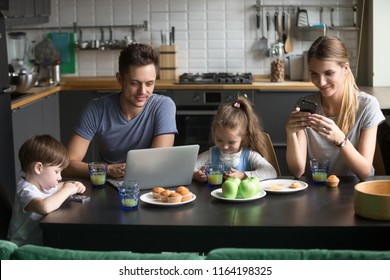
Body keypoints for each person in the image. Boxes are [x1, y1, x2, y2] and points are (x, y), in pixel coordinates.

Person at [63, 43, 178, 179]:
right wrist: (107, 169)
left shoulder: (164, 105)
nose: (142, 91)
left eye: (149, 83)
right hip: (109, 182)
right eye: (134, 83)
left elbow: (158, 162)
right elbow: (67, 165)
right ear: (120, 79)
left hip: (149, 182)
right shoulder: (96, 109)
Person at [286, 35, 385, 181]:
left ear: (345, 68)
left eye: (329, 73)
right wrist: (290, 133)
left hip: (353, 191)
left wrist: (340, 139)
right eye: (314, 74)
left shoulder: (367, 106)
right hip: (316, 190)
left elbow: (365, 172)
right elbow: (297, 171)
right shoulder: (304, 105)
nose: (321, 82)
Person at [8, 135, 86, 246]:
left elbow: (60, 185)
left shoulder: (43, 185)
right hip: (24, 247)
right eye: (56, 171)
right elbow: (44, 207)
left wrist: (72, 184)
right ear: (38, 168)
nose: (60, 177)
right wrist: (68, 190)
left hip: (41, 241)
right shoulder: (25, 190)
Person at [193, 96, 277, 182]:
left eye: (231, 142)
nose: (225, 146)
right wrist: (196, 174)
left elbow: (271, 172)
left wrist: (243, 176)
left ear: (244, 137)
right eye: (219, 140)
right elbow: (188, 169)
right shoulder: (211, 154)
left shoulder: (249, 155)